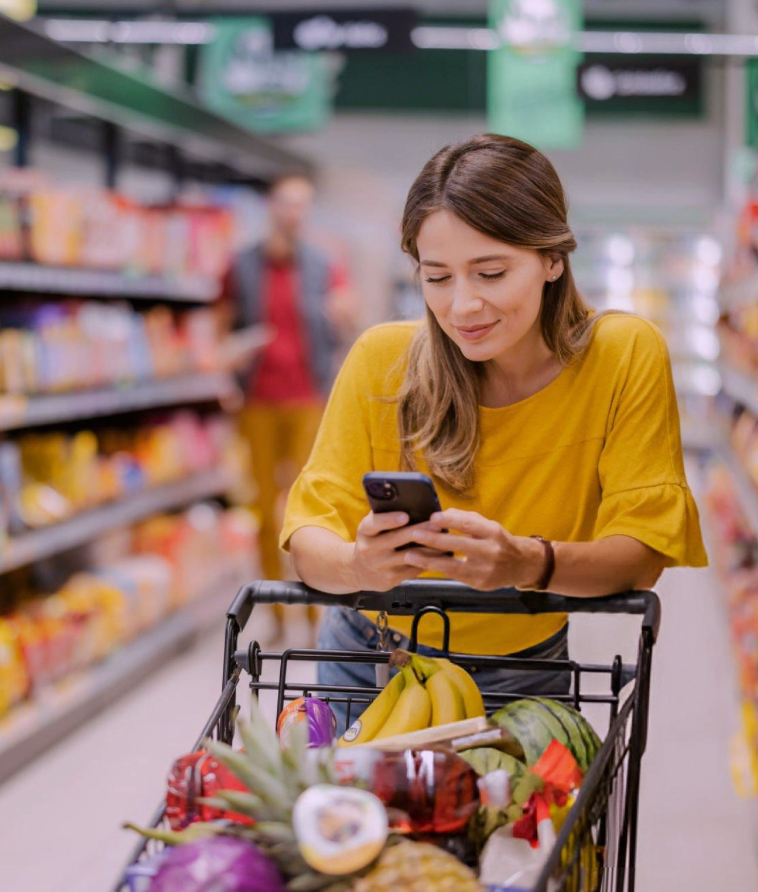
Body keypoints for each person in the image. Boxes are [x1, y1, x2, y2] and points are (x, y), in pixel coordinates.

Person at [279, 134, 707, 734]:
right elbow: (306, 539)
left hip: (523, 674)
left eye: (491, 272)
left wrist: (523, 562)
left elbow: (639, 557)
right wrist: (359, 566)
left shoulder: (622, 356)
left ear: (553, 258)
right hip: (366, 662)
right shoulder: (382, 361)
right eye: (438, 277)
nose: (462, 307)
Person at [223, 173, 354, 643]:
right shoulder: (241, 265)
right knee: (262, 507)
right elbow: (222, 326)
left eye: (302, 205)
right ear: (271, 208)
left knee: (309, 510)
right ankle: (275, 613)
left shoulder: (324, 265)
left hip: (308, 400)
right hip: (257, 400)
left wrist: (343, 316)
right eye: (286, 203)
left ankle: (315, 614)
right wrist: (229, 356)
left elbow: (344, 319)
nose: (293, 213)